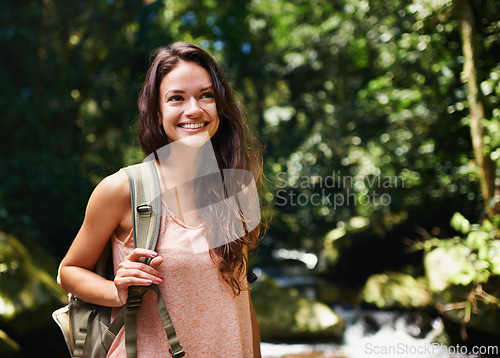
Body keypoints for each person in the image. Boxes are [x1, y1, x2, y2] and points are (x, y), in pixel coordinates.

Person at [57, 42, 264, 357]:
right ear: (157, 111)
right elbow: (68, 271)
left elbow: (240, 294)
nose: (193, 109)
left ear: (220, 105)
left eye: (206, 95)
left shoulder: (235, 188)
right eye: (176, 98)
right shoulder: (122, 189)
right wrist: (115, 291)